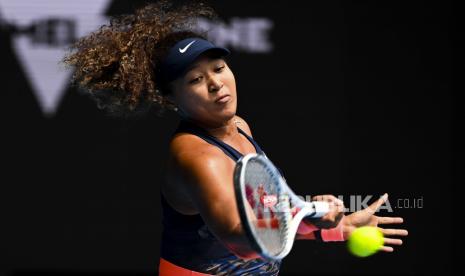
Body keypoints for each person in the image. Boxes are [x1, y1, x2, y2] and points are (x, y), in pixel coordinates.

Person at [64, 1, 408, 275]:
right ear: (171, 98)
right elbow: (240, 238)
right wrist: (309, 213)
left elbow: (265, 217)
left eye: (218, 69)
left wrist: (334, 228)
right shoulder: (197, 156)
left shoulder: (239, 126)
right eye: (195, 80)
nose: (216, 84)